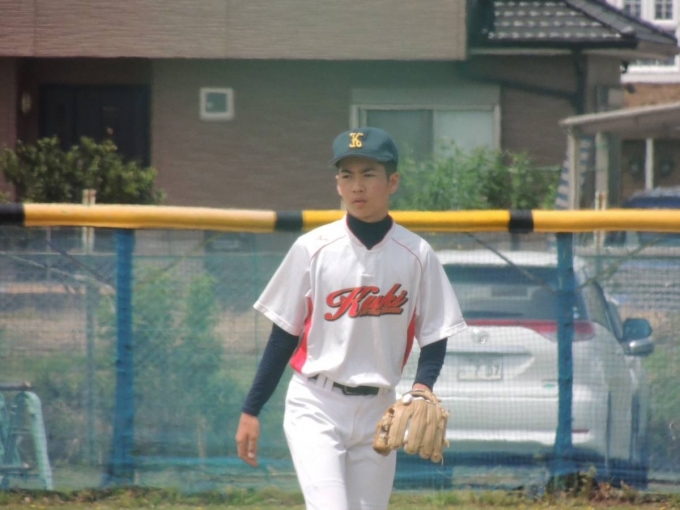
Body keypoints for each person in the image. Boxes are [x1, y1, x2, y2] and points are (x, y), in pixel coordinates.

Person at [235, 127, 467, 510]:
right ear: (337, 184)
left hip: (381, 408)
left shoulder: (417, 254)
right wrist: (251, 409)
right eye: (347, 175)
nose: (357, 185)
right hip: (316, 403)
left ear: (393, 182)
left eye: (369, 174)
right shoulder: (312, 248)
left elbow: (435, 333)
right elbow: (283, 337)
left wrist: (422, 387)